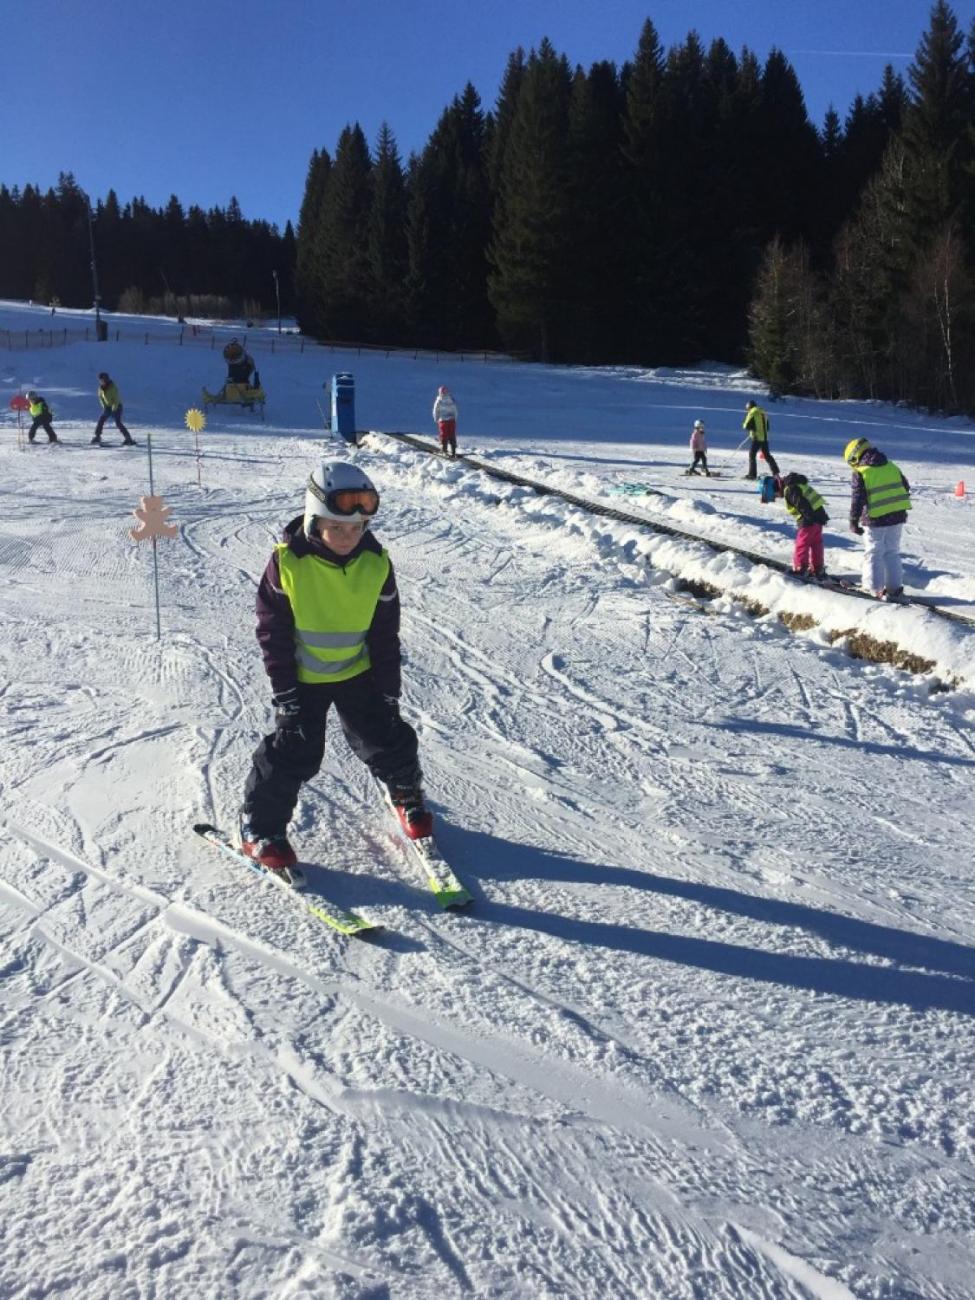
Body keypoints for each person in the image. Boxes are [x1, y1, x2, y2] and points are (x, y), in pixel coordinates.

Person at [239, 460, 433, 881]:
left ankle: (406, 793)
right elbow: (272, 631)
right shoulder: (287, 564)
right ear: (314, 523)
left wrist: (388, 689)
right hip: (304, 680)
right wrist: (285, 693)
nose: (349, 538)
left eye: (357, 528)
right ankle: (261, 827)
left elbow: (385, 632)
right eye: (337, 528)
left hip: (357, 673)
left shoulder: (376, 564)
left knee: (385, 734)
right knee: (294, 750)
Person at [844, 437, 912, 599]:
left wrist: (853, 521)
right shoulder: (891, 466)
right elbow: (905, 486)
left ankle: (872, 588)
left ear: (855, 457)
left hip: (875, 518)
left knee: (873, 552)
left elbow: (858, 499)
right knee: (892, 552)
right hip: (897, 516)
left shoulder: (861, 472)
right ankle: (894, 589)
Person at [770, 472, 830, 579]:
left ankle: (800, 568)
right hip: (818, 517)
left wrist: (808, 518)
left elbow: (801, 503)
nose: (778, 497)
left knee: (802, 543)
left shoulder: (790, 489)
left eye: (776, 495)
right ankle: (818, 568)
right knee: (816, 543)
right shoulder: (798, 484)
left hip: (808, 519)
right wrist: (821, 517)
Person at [92, 372, 136, 446]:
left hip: (117, 406)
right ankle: (97, 436)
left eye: (103, 379)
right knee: (101, 419)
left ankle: (128, 438)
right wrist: (105, 407)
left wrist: (114, 409)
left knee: (118, 422)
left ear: (106, 379)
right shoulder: (100, 388)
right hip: (108, 407)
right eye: (100, 380)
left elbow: (116, 399)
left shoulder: (113, 387)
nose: (101, 381)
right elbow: (101, 398)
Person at [742, 400, 779, 479]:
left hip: (756, 437)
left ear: (749, 407)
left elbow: (746, 425)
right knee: (767, 455)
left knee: (752, 455)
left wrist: (752, 430)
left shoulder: (752, 412)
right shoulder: (763, 412)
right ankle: (776, 473)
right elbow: (767, 426)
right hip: (765, 438)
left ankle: (752, 474)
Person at [432, 385, 458, 458]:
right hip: (451, 420)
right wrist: (455, 418)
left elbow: (435, 410)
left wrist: (436, 418)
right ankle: (453, 452)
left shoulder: (439, 400)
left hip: (443, 420)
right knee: (452, 434)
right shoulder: (451, 399)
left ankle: (444, 450)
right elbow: (455, 410)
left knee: (444, 435)